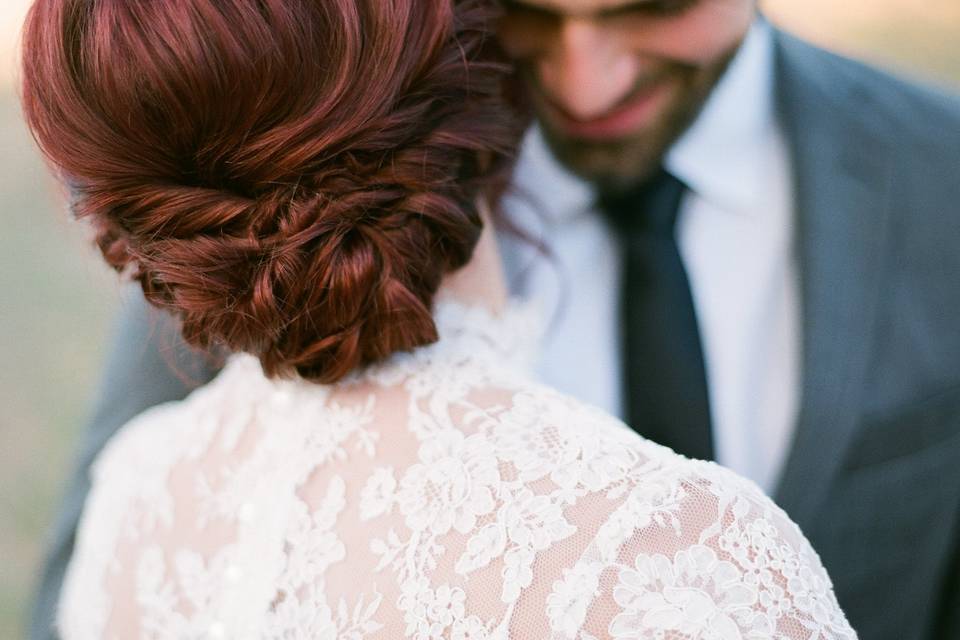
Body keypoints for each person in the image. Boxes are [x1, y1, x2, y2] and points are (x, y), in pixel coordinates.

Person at [23, 0, 959, 638]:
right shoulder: (264, 192)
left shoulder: (938, 169)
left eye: (653, 6)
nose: (589, 86)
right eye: (533, 15)